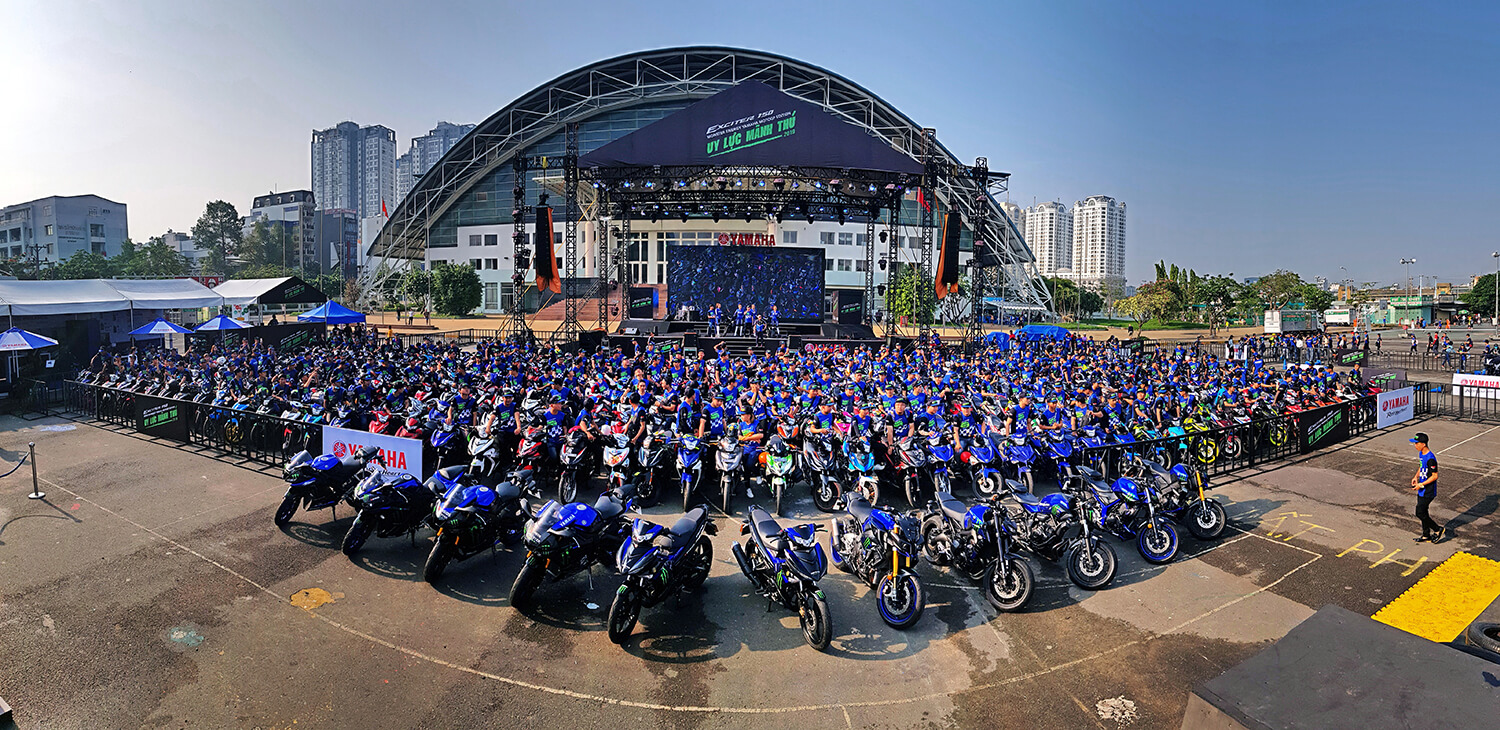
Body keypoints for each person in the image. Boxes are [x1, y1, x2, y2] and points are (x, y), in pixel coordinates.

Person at [1408, 432, 1443, 542]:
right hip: (1422, 489)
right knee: (1424, 512)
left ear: (1423, 444)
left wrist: (1421, 484)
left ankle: (1437, 529)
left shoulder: (1430, 458)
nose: (1415, 445)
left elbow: (1435, 476)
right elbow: (1422, 467)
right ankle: (1425, 534)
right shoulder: (1421, 454)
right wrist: (1416, 477)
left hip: (1428, 490)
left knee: (1419, 512)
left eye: (1417, 443)